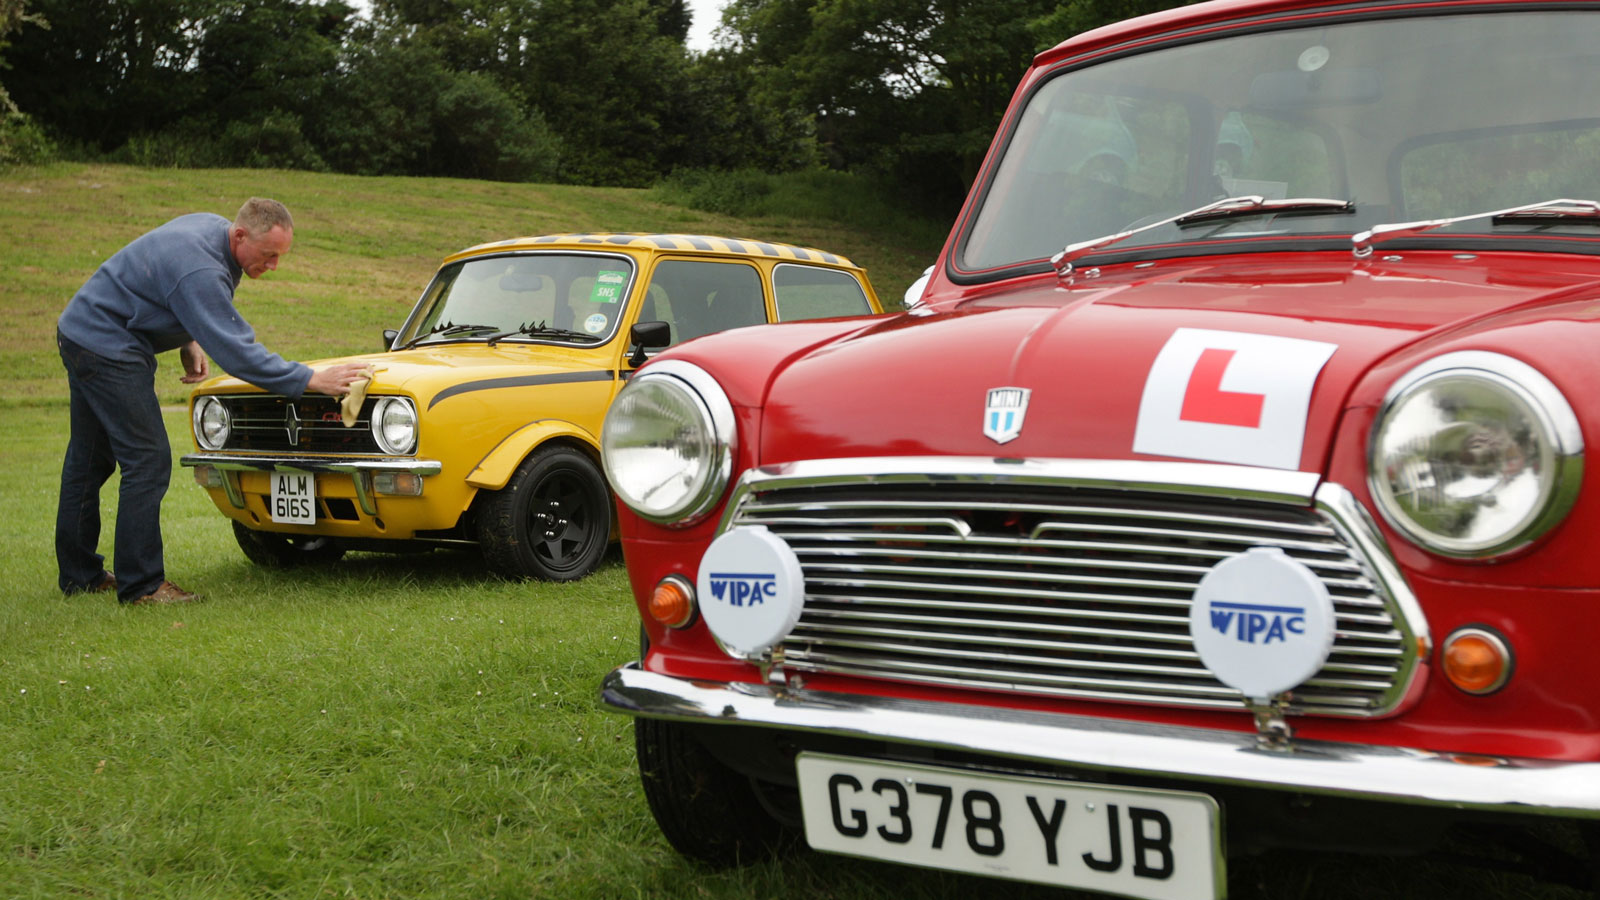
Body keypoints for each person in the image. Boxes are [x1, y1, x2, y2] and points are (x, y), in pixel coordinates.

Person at [55, 198, 369, 606]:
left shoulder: (210, 230)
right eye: (269, 255)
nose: (274, 266)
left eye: (280, 256)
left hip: (79, 331)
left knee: (90, 458)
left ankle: (80, 576)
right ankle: (143, 587)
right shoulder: (201, 269)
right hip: (109, 347)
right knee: (147, 460)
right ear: (240, 235)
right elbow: (238, 353)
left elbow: (161, 282)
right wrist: (311, 379)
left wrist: (187, 336)